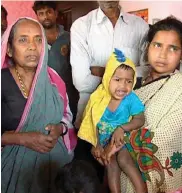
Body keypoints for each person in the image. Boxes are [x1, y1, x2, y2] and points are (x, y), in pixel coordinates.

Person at [1, 17, 77, 193]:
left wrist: (60, 129)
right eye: (23, 40)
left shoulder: (54, 79)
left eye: (38, 39)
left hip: (55, 168)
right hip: (11, 171)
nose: (32, 46)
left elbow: (67, 117)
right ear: (10, 49)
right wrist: (23, 139)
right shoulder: (1, 80)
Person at [120, 16, 182, 193]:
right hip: (116, 173)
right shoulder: (130, 79)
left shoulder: (179, 87)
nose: (163, 55)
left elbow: (165, 138)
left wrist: (117, 141)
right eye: (157, 45)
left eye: (173, 48)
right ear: (148, 47)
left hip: (151, 181)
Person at [70, 0, 149, 128]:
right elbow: (81, 82)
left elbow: (146, 72)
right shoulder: (81, 26)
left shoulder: (140, 26)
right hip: (90, 122)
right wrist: (127, 77)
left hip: (128, 123)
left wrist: (104, 71)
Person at [78, 49, 147, 193]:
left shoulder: (131, 99)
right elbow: (93, 124)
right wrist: (96, 145)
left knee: (124, 160)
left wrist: (121, 128)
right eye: (117, 80)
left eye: (129, 81)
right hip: (104, 143)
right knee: (111, 164)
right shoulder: (98, 98)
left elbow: (140, 119)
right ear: (107, 78)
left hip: (124, 140)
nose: (123, 86)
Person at [32, 1, 79, 122]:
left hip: (70, 92)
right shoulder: (34, 40)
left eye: (49, 12)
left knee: (71, 125)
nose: (45, 16)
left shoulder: (70, 36)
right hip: (44, 92)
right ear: (37, 16)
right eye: (41, 13)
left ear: (56, 13)